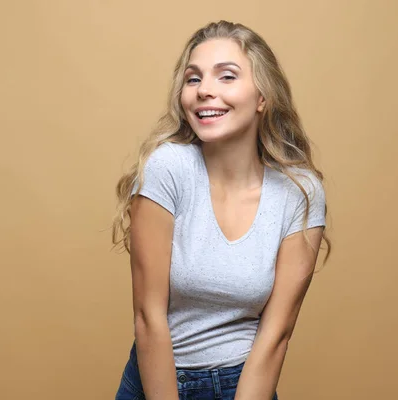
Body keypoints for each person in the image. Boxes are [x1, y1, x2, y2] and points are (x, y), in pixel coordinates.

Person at [111, 20, 331, 400]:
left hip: (245, 383)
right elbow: (149, 319)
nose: (205, 91)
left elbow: (276, 334)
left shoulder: (300, 192)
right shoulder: (168, 169)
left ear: (263, 97)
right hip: (159, 381)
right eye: (193, 80)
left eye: (226, 76)